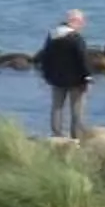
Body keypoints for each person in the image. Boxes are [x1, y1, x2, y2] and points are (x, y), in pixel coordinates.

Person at [35, 9, 92, 139]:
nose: (82, 25)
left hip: (56, 78)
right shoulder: (76, 38)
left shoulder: (52, 35)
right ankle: (76, 137)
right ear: (75, 22)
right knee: (77, 109)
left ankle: (56, 134)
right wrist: (88, 76)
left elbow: (45, 56)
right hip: (76, 79)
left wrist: (46, 74)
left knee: (57, 107)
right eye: (81, 22)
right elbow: (82, 58)